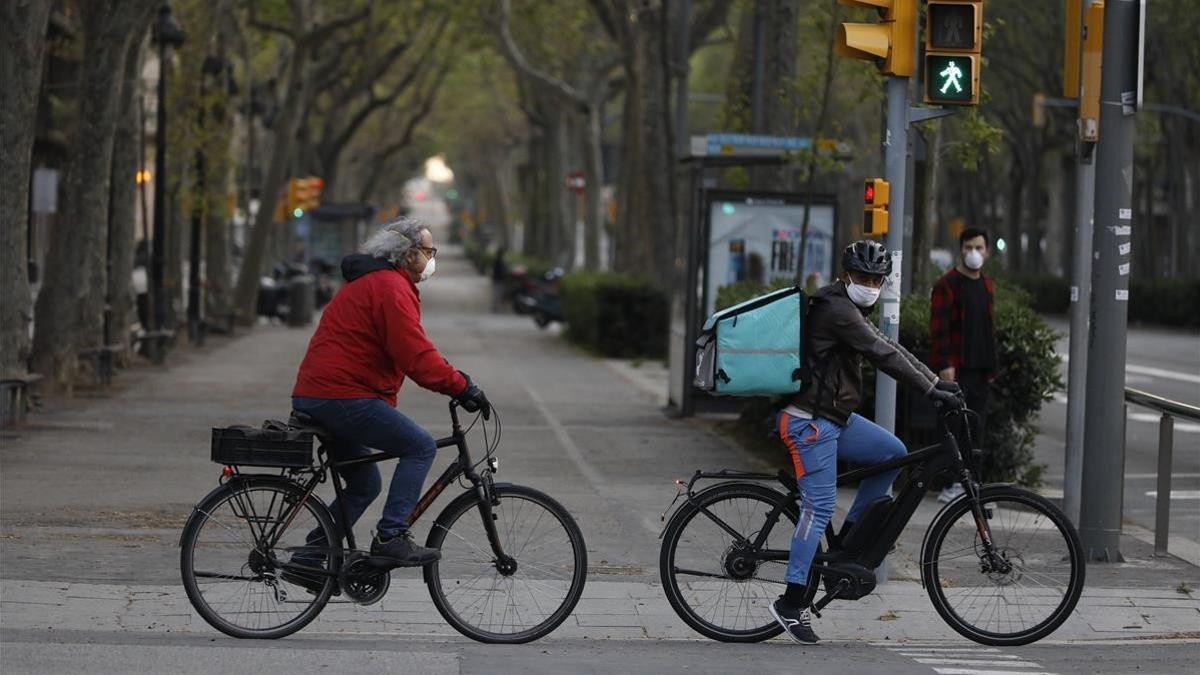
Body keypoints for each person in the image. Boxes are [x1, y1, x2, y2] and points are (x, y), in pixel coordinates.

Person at [770, 240, 963, 644]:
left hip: (834, 417)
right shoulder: (838, 309)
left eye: (877, 279)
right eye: (863, 277)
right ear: (846, 276)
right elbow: (881, 354)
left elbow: (891, 346)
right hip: (809, 423)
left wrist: (937, 383)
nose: (871, 284)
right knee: (819, 505)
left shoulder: (850, 307)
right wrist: (932, 391)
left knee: (892, 453)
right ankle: (790, 601)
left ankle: (852, 545)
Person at [290, 217, 491, 575]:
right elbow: (415, 355)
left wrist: (455, 377)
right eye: (429, 251)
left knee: (365, 483)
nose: (432, 259)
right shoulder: (388, 287)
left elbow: (416, 348)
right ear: (408, 253)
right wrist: (461, 387)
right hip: (341, 396)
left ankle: (307, 560)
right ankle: (391, 536)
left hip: (324, 394)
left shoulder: (381, 283)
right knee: (419, 447)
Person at [930, 227, 996, 503]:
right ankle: (951, 484)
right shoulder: (947, 284)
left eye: (979, 248)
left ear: (987, 252)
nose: (974, 253)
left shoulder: (987, 284)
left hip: (981, 368)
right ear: (961, 250)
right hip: (957, 368)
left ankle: (973, 484)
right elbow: (939, 328)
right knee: (955, 427)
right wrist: (945, 363)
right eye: (969, 248)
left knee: (976, 428)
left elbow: (989, 327)